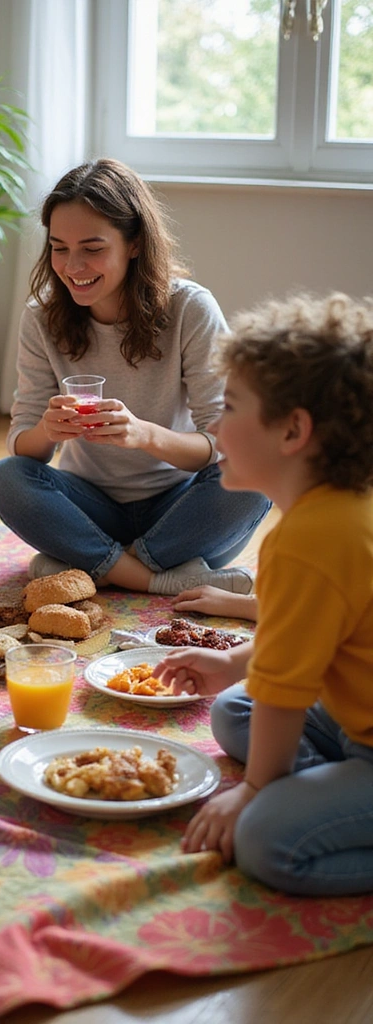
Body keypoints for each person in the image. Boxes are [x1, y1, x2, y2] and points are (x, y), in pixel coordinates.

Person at [155, 292, 373, 897]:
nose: (214, 426)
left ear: (293, 430)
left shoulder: (311, 541)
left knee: (264, 839)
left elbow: (286, 692)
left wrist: (254, 792)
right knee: (234, 706)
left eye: (228, 408)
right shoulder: (333, 511)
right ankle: (327, 793)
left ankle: (308, 800)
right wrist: (230, 663)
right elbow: (302, 646)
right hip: (358, 721)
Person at [0, 159, 270, 595]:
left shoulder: (190, 309)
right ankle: (162, 579)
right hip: (90, 505)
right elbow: (25, 447)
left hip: (181, 507)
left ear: (134, 243)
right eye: (59, 247)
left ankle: (89, 564)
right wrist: (47, 430)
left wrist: (144, 435)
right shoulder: (41, 317)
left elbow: (223, 440)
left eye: (92, 248)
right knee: (6, 477)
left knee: (256, 472)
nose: (72, 266)